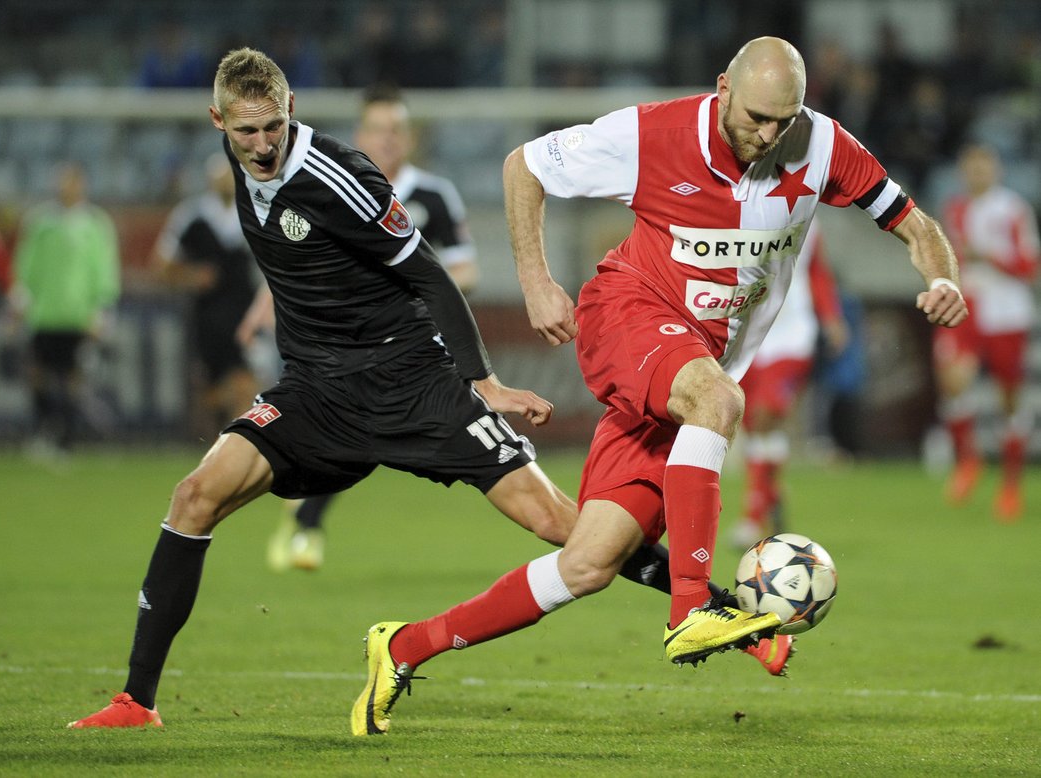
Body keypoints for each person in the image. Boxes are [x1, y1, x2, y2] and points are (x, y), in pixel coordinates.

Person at [350, 36, 969, 736]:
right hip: (628, 315)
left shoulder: (822, 145)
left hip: (692, 367)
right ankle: (692, 613)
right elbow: (523, 165)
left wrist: (942, 276)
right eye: (756, 117)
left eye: (784, 121)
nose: (769, 135)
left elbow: (917, 225)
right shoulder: (650, 134)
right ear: (722, 89)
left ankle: (402, 647)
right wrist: (535, 279)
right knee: (721, 400)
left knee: (586, 563)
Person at [66, 47, 673, 731]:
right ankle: (136, 702)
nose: (262, 145)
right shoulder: (241, 173)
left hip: (412, 380)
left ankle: (714, 603)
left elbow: (431, 276)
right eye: (246, 132)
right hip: (317, 394)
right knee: (194, 495)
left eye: (272, 127)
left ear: (291, 109)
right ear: (218, 122)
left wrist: (486, 384)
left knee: (562, 524)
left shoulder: (337, 175)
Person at [265, 83, 479, 571]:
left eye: (397, 130)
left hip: (419, 346)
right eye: (379, 130)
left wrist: (415, 289)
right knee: (360, 435)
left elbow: (465, 271)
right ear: (361, 134)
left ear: (410, 137)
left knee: (395, 438)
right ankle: (304, 524)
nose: (388, 139)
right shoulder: (329, 187)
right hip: (345, 345)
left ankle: (301, 512)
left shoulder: (434, 195)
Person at [933, 143, 1039, 521]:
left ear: (996, 170)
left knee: (1008, 399)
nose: (977, 174)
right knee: (952, 379)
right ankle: (968, 461)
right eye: (971, 168)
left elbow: (1030, 266)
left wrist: (988, 256)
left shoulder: (1013, 209)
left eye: (983, 167)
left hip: (1007, 312)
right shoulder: (955, 208)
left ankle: (1010, 486)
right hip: (968, 306)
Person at [730, 221, 848, 548]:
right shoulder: (738, 205)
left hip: (794, 334)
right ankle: (772, 491)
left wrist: (831, 316)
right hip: (749, 332)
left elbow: (816, 270)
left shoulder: (806, 213)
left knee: (765, 412)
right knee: (753, 424)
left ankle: (752, 517)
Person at [12, 163, 120, 456]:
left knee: (73, 379)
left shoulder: (96, 224)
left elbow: (105, 269)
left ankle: (66, 440)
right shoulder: (41, 222)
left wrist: (102, 309)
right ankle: (43, 431)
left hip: (79, 315)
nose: (67, 187)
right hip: (45, 312)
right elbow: (27, 263)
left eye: (72, 182)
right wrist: (21, 296)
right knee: (37, 373)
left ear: (82, 185)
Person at [152, 153, 261, 438]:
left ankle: (242, 439)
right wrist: (192, 275)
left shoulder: (253, 210)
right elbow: (162, 264)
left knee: (244, 380)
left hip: (246, 314)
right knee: (213, 387)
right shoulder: (193, 215)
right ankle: (220, 435)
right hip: (208, 316)